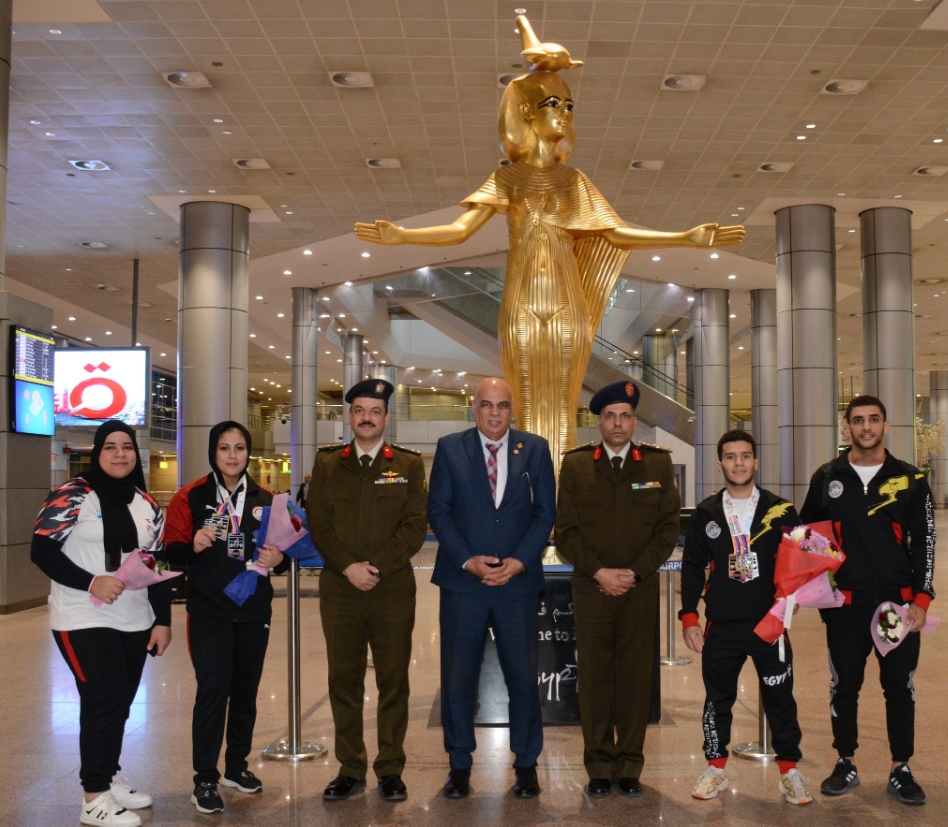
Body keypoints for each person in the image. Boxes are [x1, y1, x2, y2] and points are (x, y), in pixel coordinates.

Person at [354, 14, 744, 475]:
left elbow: (614, 233)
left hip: (566, 303)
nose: (564, 112)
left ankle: (560, 494)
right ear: (526, 112)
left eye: (569, 105)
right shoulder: (509, 178)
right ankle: (530, 490)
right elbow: (460, 230)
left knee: (561, 398)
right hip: (521, 300)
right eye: (553, 103)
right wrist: (402, 236)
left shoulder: (573, 180)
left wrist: (685, 237)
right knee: (523, 395)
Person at [31, 420, 171, 827]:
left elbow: (157, 566)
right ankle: (94, 798)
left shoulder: (147, 503)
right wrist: (92, 581)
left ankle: (107, 775)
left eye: (126, 447)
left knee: (119, 704)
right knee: (104, 700)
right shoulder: (71, 495)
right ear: (97, 452)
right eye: (110, 447)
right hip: (82, 616)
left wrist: (162, 621)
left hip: (135, 618)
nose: (119, 454)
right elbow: (42, 551)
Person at [800, 395, 935, 806]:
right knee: (845, 686)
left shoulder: (909, 479)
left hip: (896, 606)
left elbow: (925, 541)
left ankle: (901, 767)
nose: (866, 427)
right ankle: (845, 761)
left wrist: (922, 598)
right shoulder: (827, 477)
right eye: (858, 420)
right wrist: (818, 588)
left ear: (886, 426)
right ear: (847, 427)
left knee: (899, 687)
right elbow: (807, 536)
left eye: (873, 419)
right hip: (845, 607)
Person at [427, 376, 556, 800]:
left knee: (523, 678)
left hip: (516, 585)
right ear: (474, 407)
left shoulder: (534, 449)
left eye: (502, 405)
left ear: (512, 409)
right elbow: (439, 511)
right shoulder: (450, 448)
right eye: (487, 404)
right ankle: (459, 765)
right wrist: (468, 560)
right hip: (464, 583)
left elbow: (545, 513)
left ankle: (526, 764)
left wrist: (519, 562)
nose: (495, 412)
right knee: (458, 679)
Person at [554, 380, 679, 799]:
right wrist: (600, 573)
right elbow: (566, 532)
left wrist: (635, 574)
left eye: (625, 416)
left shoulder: (657, 465)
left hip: (639, 590)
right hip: (591, 589)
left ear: (635, 422)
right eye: (610, 416)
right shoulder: (576, 466)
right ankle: (598, 764)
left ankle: (629, 765)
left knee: (635, 678)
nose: (618, 424)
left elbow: (667, 530)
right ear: (599, 422)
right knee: (594, 679)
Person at [306, 379, 428, 802]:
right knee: (344, 680)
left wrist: (375, 567)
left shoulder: (408, 464)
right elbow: (318, 522)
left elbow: (415, 525)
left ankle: (390, 768)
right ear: (350, 416)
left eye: (375, 411)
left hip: (392, 589)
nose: (367, 417)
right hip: (340, 589)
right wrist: (348, 567)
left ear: (386, 418)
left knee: (393, 680)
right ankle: (351, 767)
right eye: (359, 410)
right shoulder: (328, 463)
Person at [680, 430, 811, 805]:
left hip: (769, 623)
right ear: (720, 463)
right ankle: (715, 768)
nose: (738, 463)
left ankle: (789, 772)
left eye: (745, 456)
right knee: (717, 700)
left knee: (781, 699)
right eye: (730, 456)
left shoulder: (781, 510)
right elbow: (692, 568)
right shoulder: (706, 513)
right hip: (721, 625)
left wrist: (795, 596)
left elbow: (803, 559)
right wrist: (689, 616)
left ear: (755, 461)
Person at [165, 421, 287, 814]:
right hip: (209, 611)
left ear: (248, 452)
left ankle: (236, 766)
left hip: (253, 610)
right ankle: (204, 778)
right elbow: (170, 551)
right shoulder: (191, 496)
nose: (232, 456)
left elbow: (284, 553)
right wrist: (193, 545)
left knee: (246, 693)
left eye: (239, 448)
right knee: (213, 690)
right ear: (212, 452)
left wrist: (279, 558)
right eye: (224, 448)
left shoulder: (268, 499)